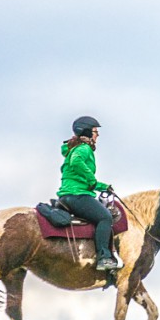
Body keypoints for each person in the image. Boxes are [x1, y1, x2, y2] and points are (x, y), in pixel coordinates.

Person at [58, 115, 120, 271]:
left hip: (70, 193)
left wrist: (103, 186)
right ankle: (104, 258)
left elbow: (81, 177)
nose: (97, 135)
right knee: (105, 217)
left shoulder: (74, 148)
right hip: (77, 195)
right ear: (86, 131)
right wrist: (93, 181)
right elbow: (77, 162)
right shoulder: (83, 149)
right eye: (95, 131)